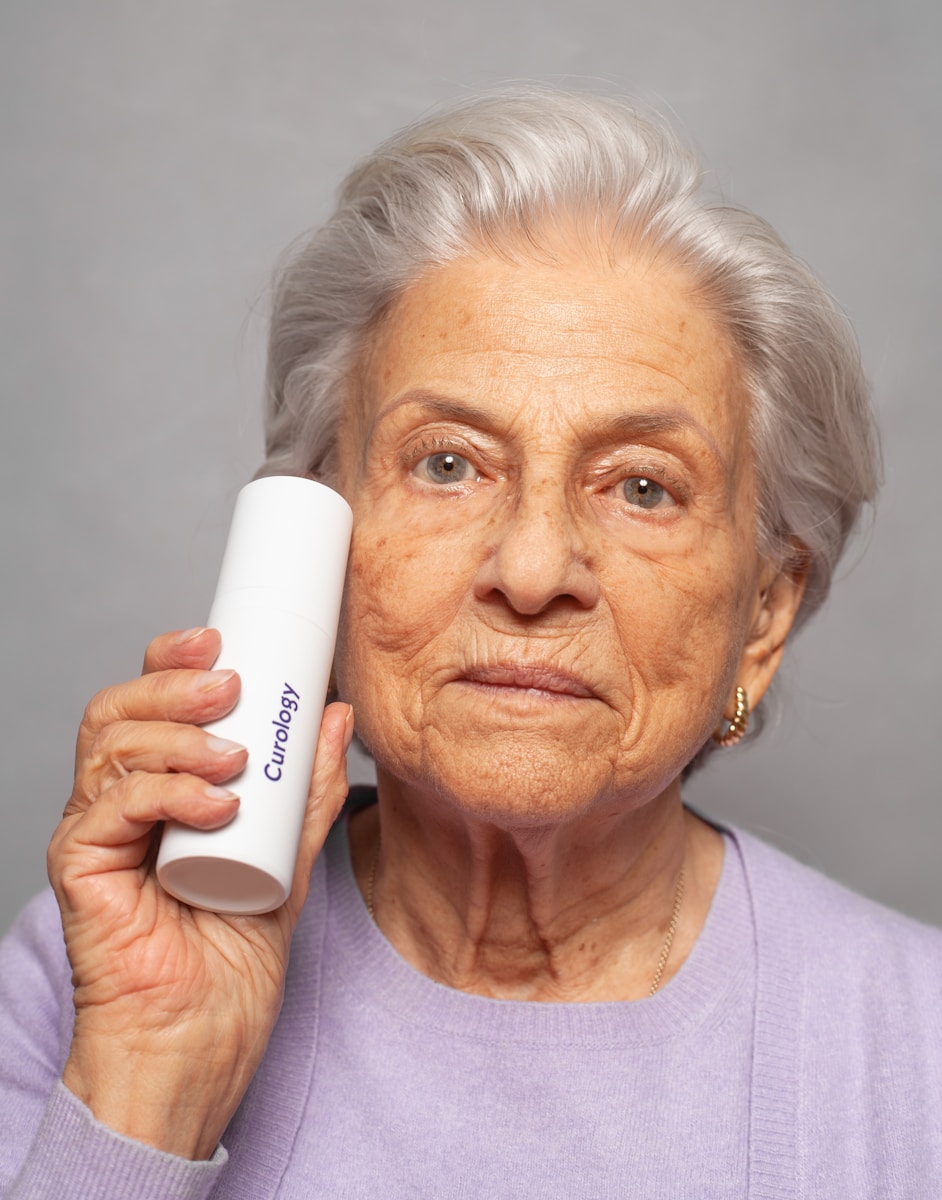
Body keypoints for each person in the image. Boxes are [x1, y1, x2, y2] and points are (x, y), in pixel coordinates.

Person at [1, 89, 939, 1199]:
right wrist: (153, 1088)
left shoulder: (916, 1049)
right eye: (447, 463)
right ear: (319, 550)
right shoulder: (84, 982)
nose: (533, 572)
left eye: (643, 486)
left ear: (765, 615)